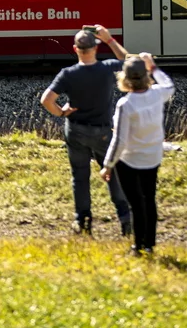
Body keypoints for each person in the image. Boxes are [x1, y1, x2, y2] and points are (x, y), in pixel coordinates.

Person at [41, 26, 133, 238]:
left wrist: (61, 112)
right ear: (95, 47)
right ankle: (125, 219)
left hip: (75, 131)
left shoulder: (68, 74)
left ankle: (83, 222)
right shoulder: (108, 68)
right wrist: (110, 40)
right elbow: (130, 63)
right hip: (102, 132)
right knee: (113, 174)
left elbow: (46, 100)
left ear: (75, 49)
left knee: (80, 177)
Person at [100, 53, 175, 255]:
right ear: (145, 76)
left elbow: (120, 140)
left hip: (130, 161)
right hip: (153, 157)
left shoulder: (125, 104)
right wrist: (154, 67)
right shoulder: (158, 94)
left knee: (135, 203)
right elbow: (169, 85)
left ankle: (138, 246)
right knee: (149, 199)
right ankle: (149, 244)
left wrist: (108, 164)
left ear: (125, 78)